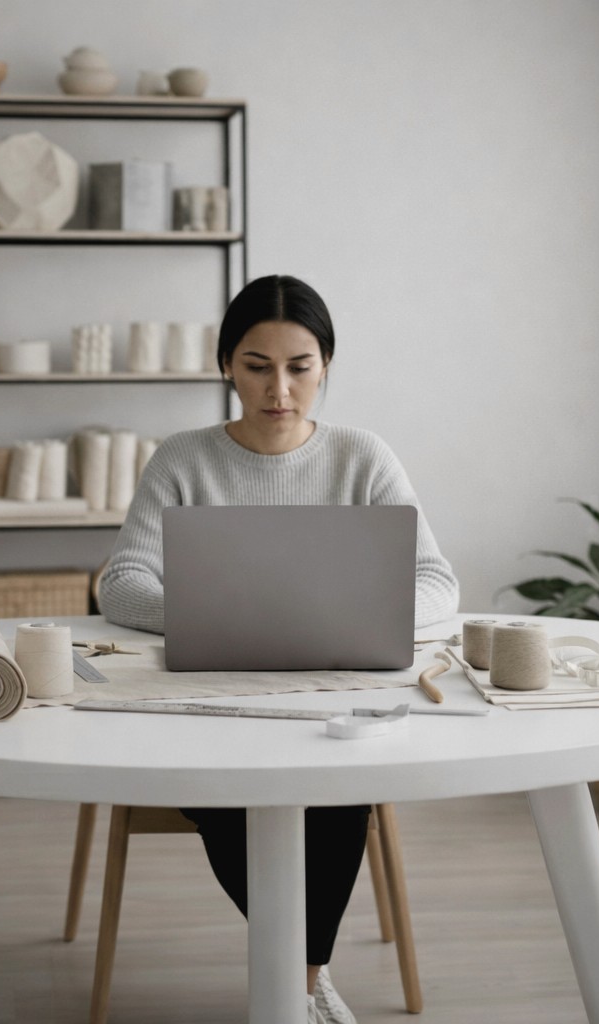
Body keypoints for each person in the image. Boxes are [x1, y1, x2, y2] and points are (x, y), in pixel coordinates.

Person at [100, 274, 459, 1024]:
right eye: (258, 366)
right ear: (227, 364)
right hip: (206, 702)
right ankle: (302, 984)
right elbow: (122, 583)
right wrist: (215, 617)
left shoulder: (363, 456)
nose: (280, 389)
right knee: (230, 796)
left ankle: (294, 982)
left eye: (299, 367)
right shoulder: (183, 458)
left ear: (325, 365)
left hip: (330, 695)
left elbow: (437, 581)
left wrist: (368, 614)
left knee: (338, 791)